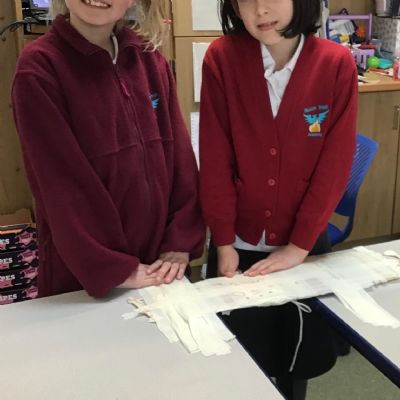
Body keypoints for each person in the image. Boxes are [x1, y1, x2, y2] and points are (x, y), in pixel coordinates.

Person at [199, 0, 357, 399]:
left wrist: (298, 247)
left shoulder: (335, 63)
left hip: (303, 246)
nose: (260, 10)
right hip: (237, 245)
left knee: (296, 361)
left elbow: (335, 165)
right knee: (236, 365)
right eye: (247, 0)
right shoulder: (222, 58)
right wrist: (223, 241)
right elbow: (215, 157)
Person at [12, 0, 205, 298]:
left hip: (159, 264)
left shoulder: (150, 60)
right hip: (84, 274)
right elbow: (58, 185)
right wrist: (112, 267)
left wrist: (180, 241)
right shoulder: (39, 67)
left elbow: (180, 159)